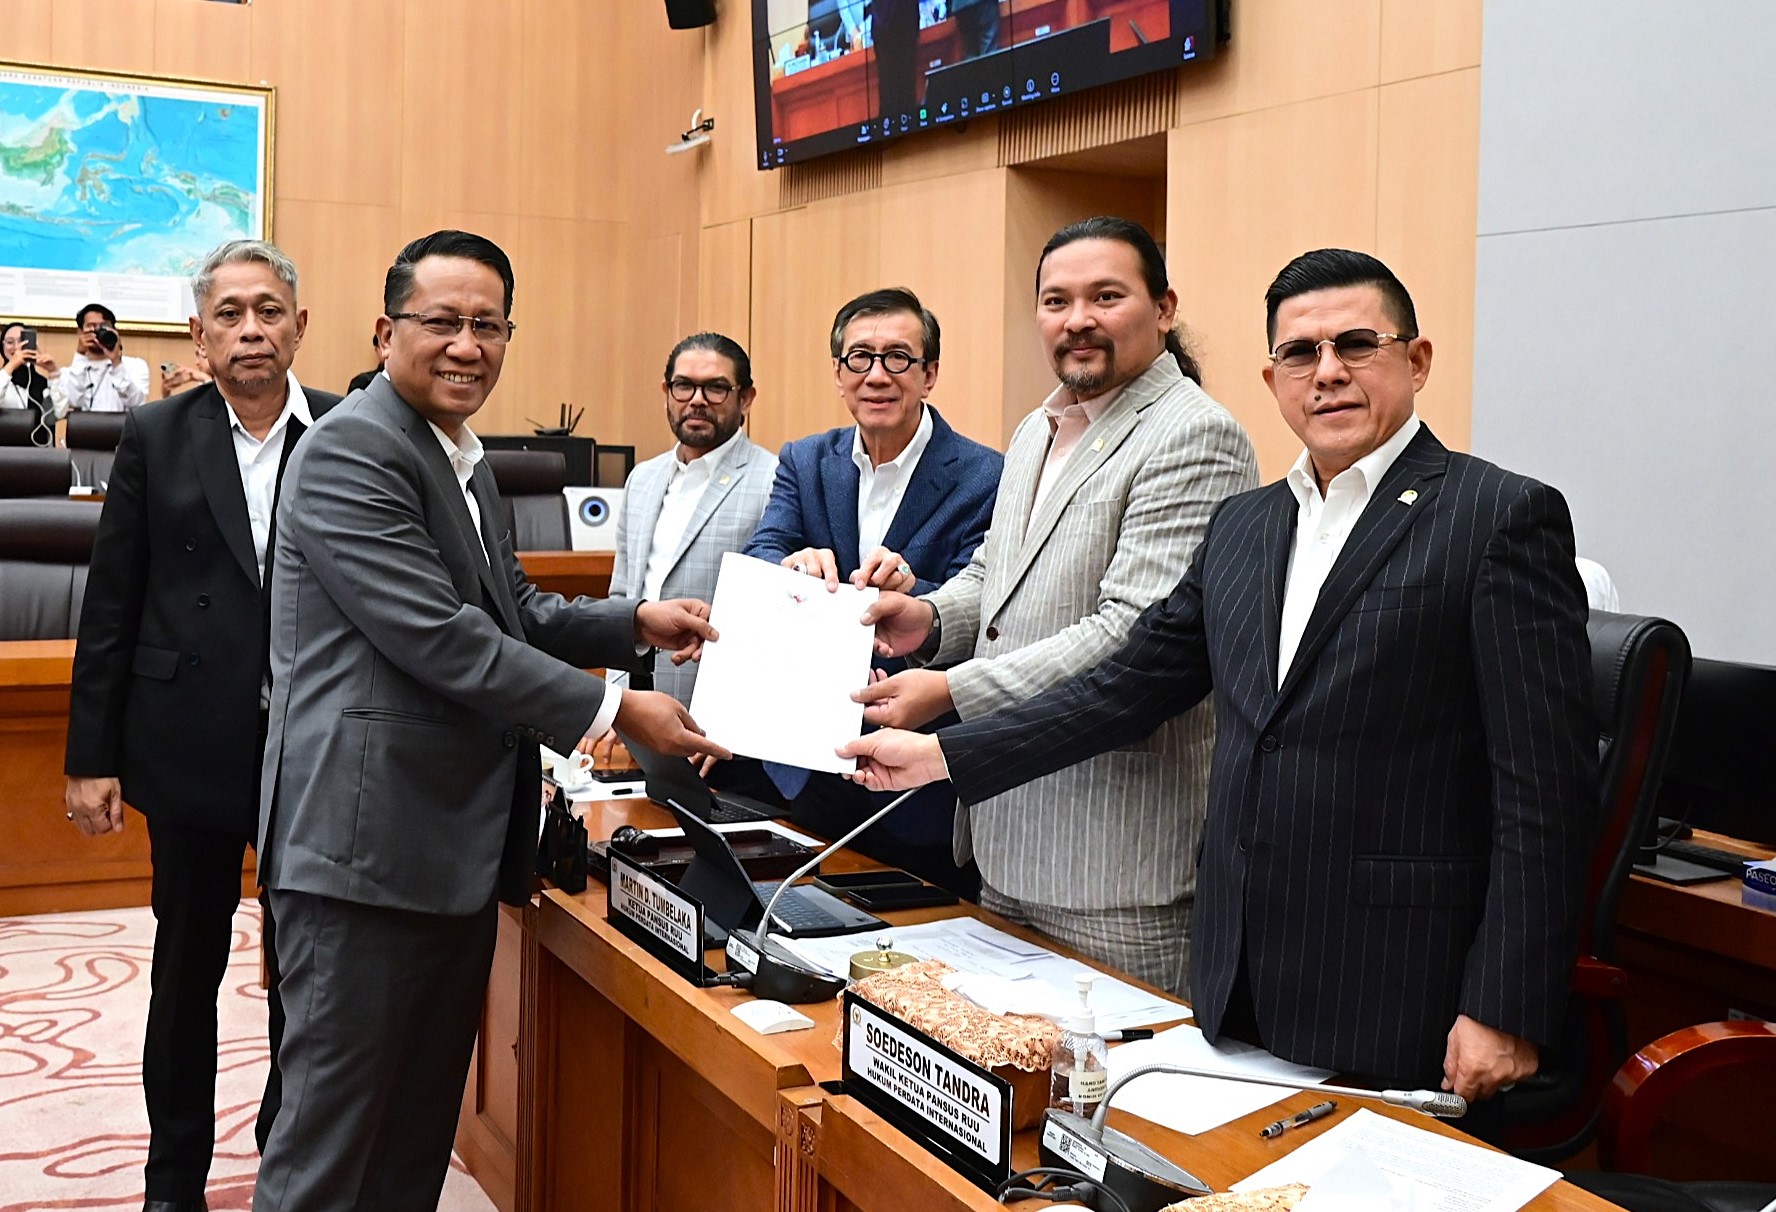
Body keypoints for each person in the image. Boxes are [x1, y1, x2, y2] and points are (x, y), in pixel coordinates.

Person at [842, 249, 1598, 1109]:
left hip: (1401, 979)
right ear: (1272, 377)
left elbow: (1544, 790)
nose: (1329, 373)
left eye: (1357, 345)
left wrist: (1504, 1004)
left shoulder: (1498, 515)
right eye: (1301, 354)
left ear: (1416, 361)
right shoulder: (1247, 525)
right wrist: (948, 756)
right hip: (1236, 971)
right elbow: (1128, 685)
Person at [253, 230, 728, 1212]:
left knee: (415, 1129)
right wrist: (612, 706)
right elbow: (440, 638)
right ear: (386, 331)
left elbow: (513, 608)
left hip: (443, 848)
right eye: (442, 322)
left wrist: (633, 619)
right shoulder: (354, 449)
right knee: (332, 1150)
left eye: (488, 325)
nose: (467, 345)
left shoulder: (460, 457)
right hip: (362, 857)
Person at [852, 217, 1257, 993]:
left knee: (1103, 1111)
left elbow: (1131, 637)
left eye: (1106, 296)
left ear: (1164, 308)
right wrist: (930, 621)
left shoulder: (1195, 436)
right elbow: (991, 576)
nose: (1078, 320)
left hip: (1114, 870)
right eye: (1056, 300)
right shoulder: (1038, 429)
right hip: (1006, 839)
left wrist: (951, 689)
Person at [62, 239, 344, 1212]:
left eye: (269, 310)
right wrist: (91, 756)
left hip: (316, 753)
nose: (251, 329)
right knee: (186, 974)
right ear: (198, 333)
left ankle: (289, 1164)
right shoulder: (156, 434)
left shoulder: (351, 435)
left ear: (300, 326)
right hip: (187, 744)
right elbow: (114, 601)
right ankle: (172, 1182)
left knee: (302, 980)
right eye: (230, 314)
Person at [744, 286, 1001, 892]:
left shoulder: (987, 473)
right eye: (860, 357)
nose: (877, 375)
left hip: (919, 780)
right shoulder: (805, 461)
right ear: (839, 373)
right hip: (808, 759)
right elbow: (761, 555)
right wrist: (791, 567)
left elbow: (991, 600)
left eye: (898, 358)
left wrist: (921, 591)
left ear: (930, 373)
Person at [609, 332, 779, 705]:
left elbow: (776, 616)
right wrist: (613, 698)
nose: (697, 400)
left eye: (716, 388)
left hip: (719, 705)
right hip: (636, 695)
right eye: (684, 386)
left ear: (745, 398)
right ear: (666, 392)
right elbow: (621, 595)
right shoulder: (642, 478)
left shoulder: (773, 479)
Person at [54, 302, 151, 412]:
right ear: (80, 332)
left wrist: (116, 362)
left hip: (124, 428)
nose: (97, 332)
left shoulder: (135, 366)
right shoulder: (69, 373)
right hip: (85, 428)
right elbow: (73, 401)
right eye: (91, 326)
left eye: (103, 327)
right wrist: (80, 355)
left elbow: (137, 403)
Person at [1, 321, 67, 445]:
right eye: (10, 342)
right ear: (2, 347)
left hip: (40, 456)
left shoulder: (43, 383)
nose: (16, 347)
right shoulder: (2, 380)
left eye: (22, 341)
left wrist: (53, 372)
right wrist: (12, 365)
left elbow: (61, 413)